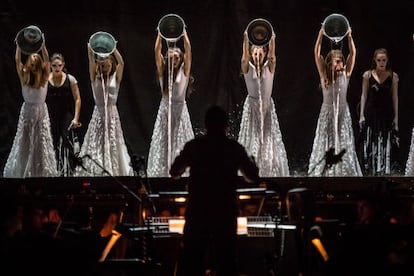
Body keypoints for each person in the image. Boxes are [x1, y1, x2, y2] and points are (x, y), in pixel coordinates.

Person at [170, 105, 259, 276]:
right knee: (227, 262)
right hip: (225, 212)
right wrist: (253, 164)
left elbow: (174, 172)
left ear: (206, 124)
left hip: (198, 211)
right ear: (226, 125)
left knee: (193, 262)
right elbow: (252, 176)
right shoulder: (233, 148)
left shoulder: (195, 146)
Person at [307, 26, 362, 176]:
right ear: (330, 63)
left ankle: (343, 170)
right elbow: (316, 52)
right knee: (327, 139)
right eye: (336, 62)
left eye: (341, 61)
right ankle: (326, 171)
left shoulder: (346, 74)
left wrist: (349, 36)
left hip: (343, 112)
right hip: (328, 112)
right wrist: (320, 34)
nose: (340, 64)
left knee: (343, 139)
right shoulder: (324, 75)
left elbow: (353, 53)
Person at [74, 40, 134, 176]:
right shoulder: (95, 77)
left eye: (107, 65)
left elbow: (122, 63)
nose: (104, 67)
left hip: (112, 113)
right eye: (102, 65)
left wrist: (112, 47)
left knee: (114, 141)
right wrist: (91, 46)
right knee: (97, 141)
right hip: (99, 113)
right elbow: (90, 57)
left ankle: (114, 169)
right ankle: (97, 168)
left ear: (111, 64)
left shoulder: (115, 77)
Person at [238, 23, 289, 177]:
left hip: (266, 106)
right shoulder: (248, 68)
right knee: (252, 136)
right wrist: (246, 38)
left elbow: (273, 55)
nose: (257, 56)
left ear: (264, 54)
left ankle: (268, 168)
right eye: (255, 54)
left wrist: (271, 37)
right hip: (253, 106)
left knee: (268, 138)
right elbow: (244, 57)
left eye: (260, 54)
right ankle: (250, 169)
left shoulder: (269, 66)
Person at [3, 34, 58, 177]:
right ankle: (24, 171)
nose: (33, 67)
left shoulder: (45, 76)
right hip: (28, 110)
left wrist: (43, 44)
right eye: (31, 65)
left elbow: (46, 60)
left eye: (36, 65)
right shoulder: (24, 76)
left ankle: (40, 171)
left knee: (41, 140)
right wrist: (19, 46)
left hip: (41, 111)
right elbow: (17, 61)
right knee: (26, 140)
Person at [146, 26, 195, 177]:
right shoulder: (163, 72)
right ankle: (163, 172)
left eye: (177, 58)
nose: (173, 60)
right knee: (163, 141)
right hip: (165, 111)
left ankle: (181, 172)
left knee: (180, 141)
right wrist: (160, 33)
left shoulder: (184, 71)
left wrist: (184, 32)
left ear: (180, 60)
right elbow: (156, 51)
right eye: (171, 58)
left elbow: (188, 50)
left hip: (180, 111)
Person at [359, 48, 399, 176]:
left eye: (384, 60)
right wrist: (361, 115)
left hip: (386, 113)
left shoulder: (393, 76)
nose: (381, 63)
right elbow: (364, 95)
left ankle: (383, 171)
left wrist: (396, 118)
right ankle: (370, 170)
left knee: (385, 141)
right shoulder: (368, 75)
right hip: (371, 112)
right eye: (379, 60)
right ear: (375, 61)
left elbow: (395, 97)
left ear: (387, 61)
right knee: (371, 140)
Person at [47, 53, 82, 176]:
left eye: (59, 65)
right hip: (51, 115)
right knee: (53, 140)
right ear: (50, 65)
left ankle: (70, 170)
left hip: (66, 114)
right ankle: (55, 169)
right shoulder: (46, 79)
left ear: (63, 65)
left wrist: (76, 118)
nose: (57, 68)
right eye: (54, 65)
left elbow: (77, 99)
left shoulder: (70, 79)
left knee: (67, 139)